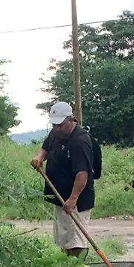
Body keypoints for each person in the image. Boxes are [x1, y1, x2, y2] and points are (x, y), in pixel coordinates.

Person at [30, 102, 95, 257]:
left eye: (60, 125)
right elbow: (45, 148)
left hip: (77, 199)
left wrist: (73, 199)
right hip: (60, 195)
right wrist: (39, 158)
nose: (57, 128)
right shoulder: (56, 133)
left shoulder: (80, 141)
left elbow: (82, 173)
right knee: (64, 239)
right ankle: (67, 266)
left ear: (71, 119)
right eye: (54, 125)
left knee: (76, 240)